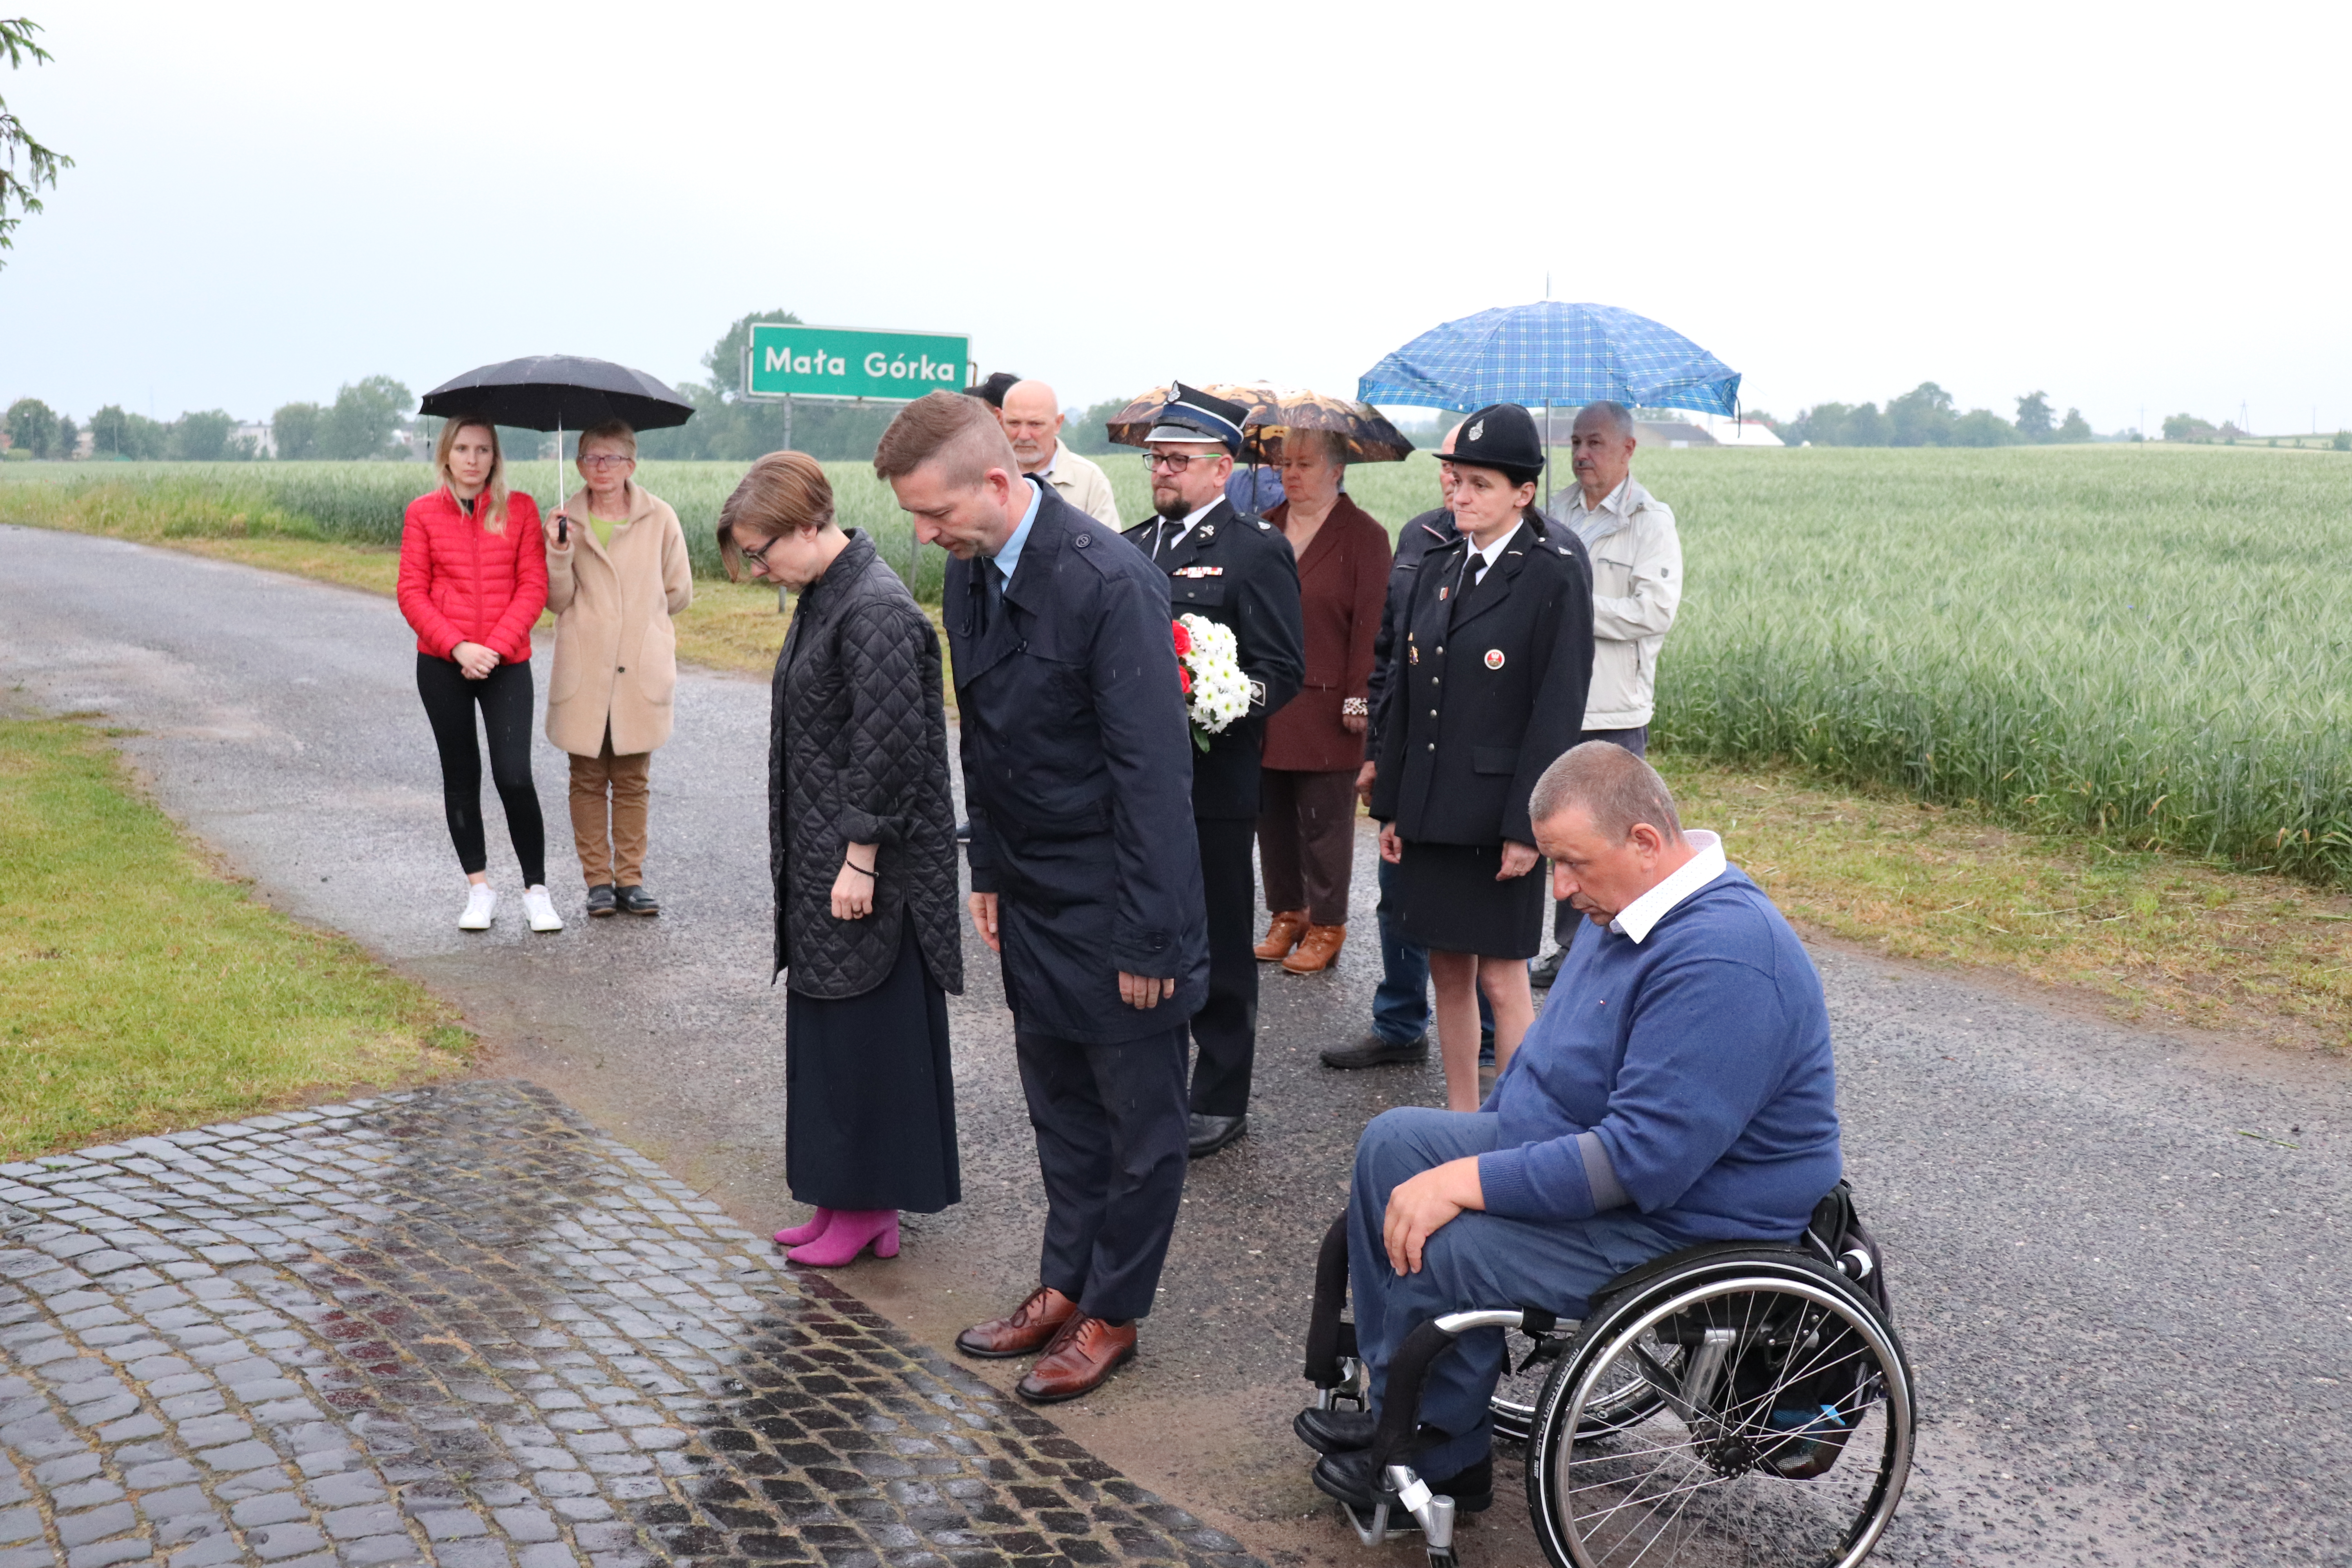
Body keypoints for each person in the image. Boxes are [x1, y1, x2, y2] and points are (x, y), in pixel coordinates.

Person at [1298, 742, 1842, 1516]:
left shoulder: (1728, 958)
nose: (1560, 886)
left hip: (1691, 1219)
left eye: (1573, 863)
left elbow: (1642, 1162)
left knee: (1451, 1239)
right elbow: (1550, 1065)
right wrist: (1478, 1145)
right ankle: (1400, 1405)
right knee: (1394, 1142)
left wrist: (1467, 1181)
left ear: (1646, 842)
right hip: (1608, 1160)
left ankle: (1440, 1456)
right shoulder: (1630, 903)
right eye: (1554, 861)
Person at [875, 391, 1207, 1403]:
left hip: (1119, 902)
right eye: (916, 521)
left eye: (935, 515)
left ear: (998, 480)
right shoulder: (972, 574)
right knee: (1060, 1113)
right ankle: (1065, 1284)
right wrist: (987, 868)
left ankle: (1115, 1313)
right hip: (1031, 894)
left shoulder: (1112, 584)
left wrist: (1154, 940)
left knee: (1139, 1130)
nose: (925, 537)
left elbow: (1156, 778)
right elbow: (985, 737)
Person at [719, 450, 965, 1267]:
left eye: (761, 552)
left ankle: (869, 1208)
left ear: (806, 526)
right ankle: (844, 1200)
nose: (758, 570)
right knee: (833, 1033)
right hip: (827, 859)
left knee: (872, 1036)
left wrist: (859, 858)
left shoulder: (877, 609)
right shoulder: (828, 593)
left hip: (874, 874)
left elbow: (890, 749)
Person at [1368, 404, 1592, 1110]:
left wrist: (1530, 829)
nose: (1459, 496)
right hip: (1433, 807)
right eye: (1455, 480)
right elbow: (1406, 694)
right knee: (1447, 974)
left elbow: (1557, 712)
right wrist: (1393, 807)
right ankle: (1464, 1118)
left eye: (1479, 484)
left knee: (1503, 977)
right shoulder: (1437, 564)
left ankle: (1519, 1124)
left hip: (1499, 815)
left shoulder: (1552, 574)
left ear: (1523, 492)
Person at [1122, 383, 1304, 1158]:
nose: (1161, 471)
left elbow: (1283, 670)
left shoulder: (1255, 549)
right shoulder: (1132, 545)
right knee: (1146, 930)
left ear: (1222, 466)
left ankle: (1221, 1094)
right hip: (1139, 784)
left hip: (1217, 781)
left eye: (1176, 459)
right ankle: (1149, 1080)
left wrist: (1221, 699)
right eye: (1156, 458)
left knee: (1222, 940)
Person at [1531, 401, 1684, 986]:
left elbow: (1654, 611)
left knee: (1611, 832)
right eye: (1574, 443)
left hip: (1613, 703)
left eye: (1594, 443)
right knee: (1562, 830)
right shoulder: (1553, 510)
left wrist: (1576, 610)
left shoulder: (1651, 521)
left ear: (1628, 449)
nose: (1580, 455)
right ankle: (1566, 952)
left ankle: (1615, 949)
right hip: (1555, 698)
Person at [1324, 421, 1463, 1069]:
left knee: (1474, 914)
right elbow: (1388, 650)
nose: (1455, 479)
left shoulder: (1536, 554)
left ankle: (1489, 1042)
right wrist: (1378, 750)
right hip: (1408, 755)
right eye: (1449, 465)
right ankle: (1400, 1022)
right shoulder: (1419, 536)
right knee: (1396, 892)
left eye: (1472, 469)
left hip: (1468, 762)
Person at [396, 417, 559, 934]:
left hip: (505, 661)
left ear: (495, 457)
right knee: (461, 777)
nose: (473, 459)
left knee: (514, 776)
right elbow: (411, 592)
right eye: (463, 448)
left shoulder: (522, 510)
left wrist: (492, 647)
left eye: (483, 450)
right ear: (446, 454)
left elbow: (533, 587)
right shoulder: (423, 513)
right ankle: (479, 890)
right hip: (443, 662)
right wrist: (458, 646)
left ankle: (537, 891)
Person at [1253, 427, 1390, 975]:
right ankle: (1288, 913)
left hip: (1331, 705)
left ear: (1336, 470)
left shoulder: (1364, 536)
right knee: (1272, 817)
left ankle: (1328, 922)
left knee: (1326, 822)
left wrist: (1361, 700)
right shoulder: (1264, 530)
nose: (1291, 473)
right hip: (1268, 702)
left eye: (1305, 463)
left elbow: (1371, 628)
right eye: (1285, 463)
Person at [542, 421, 693, 918]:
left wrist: (641, 627)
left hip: (640, 666)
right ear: (578, 464)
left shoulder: (661, 517)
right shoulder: (566, 520)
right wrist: (559, 554)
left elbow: (679, 593)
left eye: (610, 459)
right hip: (585, 665)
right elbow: (556, 601)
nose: (599, 468)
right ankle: (598, 883)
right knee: (586, 776)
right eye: (589, 458)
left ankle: (631, 879)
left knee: (632, 777)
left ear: (632, 463)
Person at [1002, 378, 1121, 526]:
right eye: (1014, 423)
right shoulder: (985, 474)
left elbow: (1109, 547)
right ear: (1001, 421)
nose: (1024, 435)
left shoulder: (1090, 481)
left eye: (1035, 424)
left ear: (1058, 424)